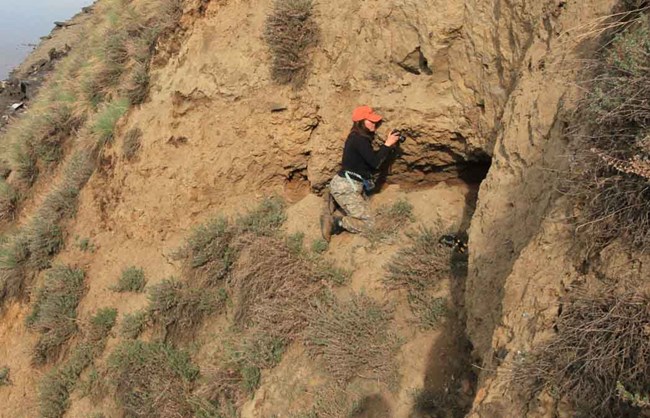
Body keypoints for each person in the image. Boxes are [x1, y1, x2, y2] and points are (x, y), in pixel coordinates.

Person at [320, 105, 400, 241]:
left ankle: (333, 201)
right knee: (370, 224)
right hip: (346, 188)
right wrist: (387, 145)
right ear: (361, 122)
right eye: (371, 121)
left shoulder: (358, 137)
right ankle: (336, 222)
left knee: (364, 207)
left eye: (375, 121)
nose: (374, 123)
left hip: (350, 184)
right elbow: (375, 163)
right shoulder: (358, 140)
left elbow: (370, 160)